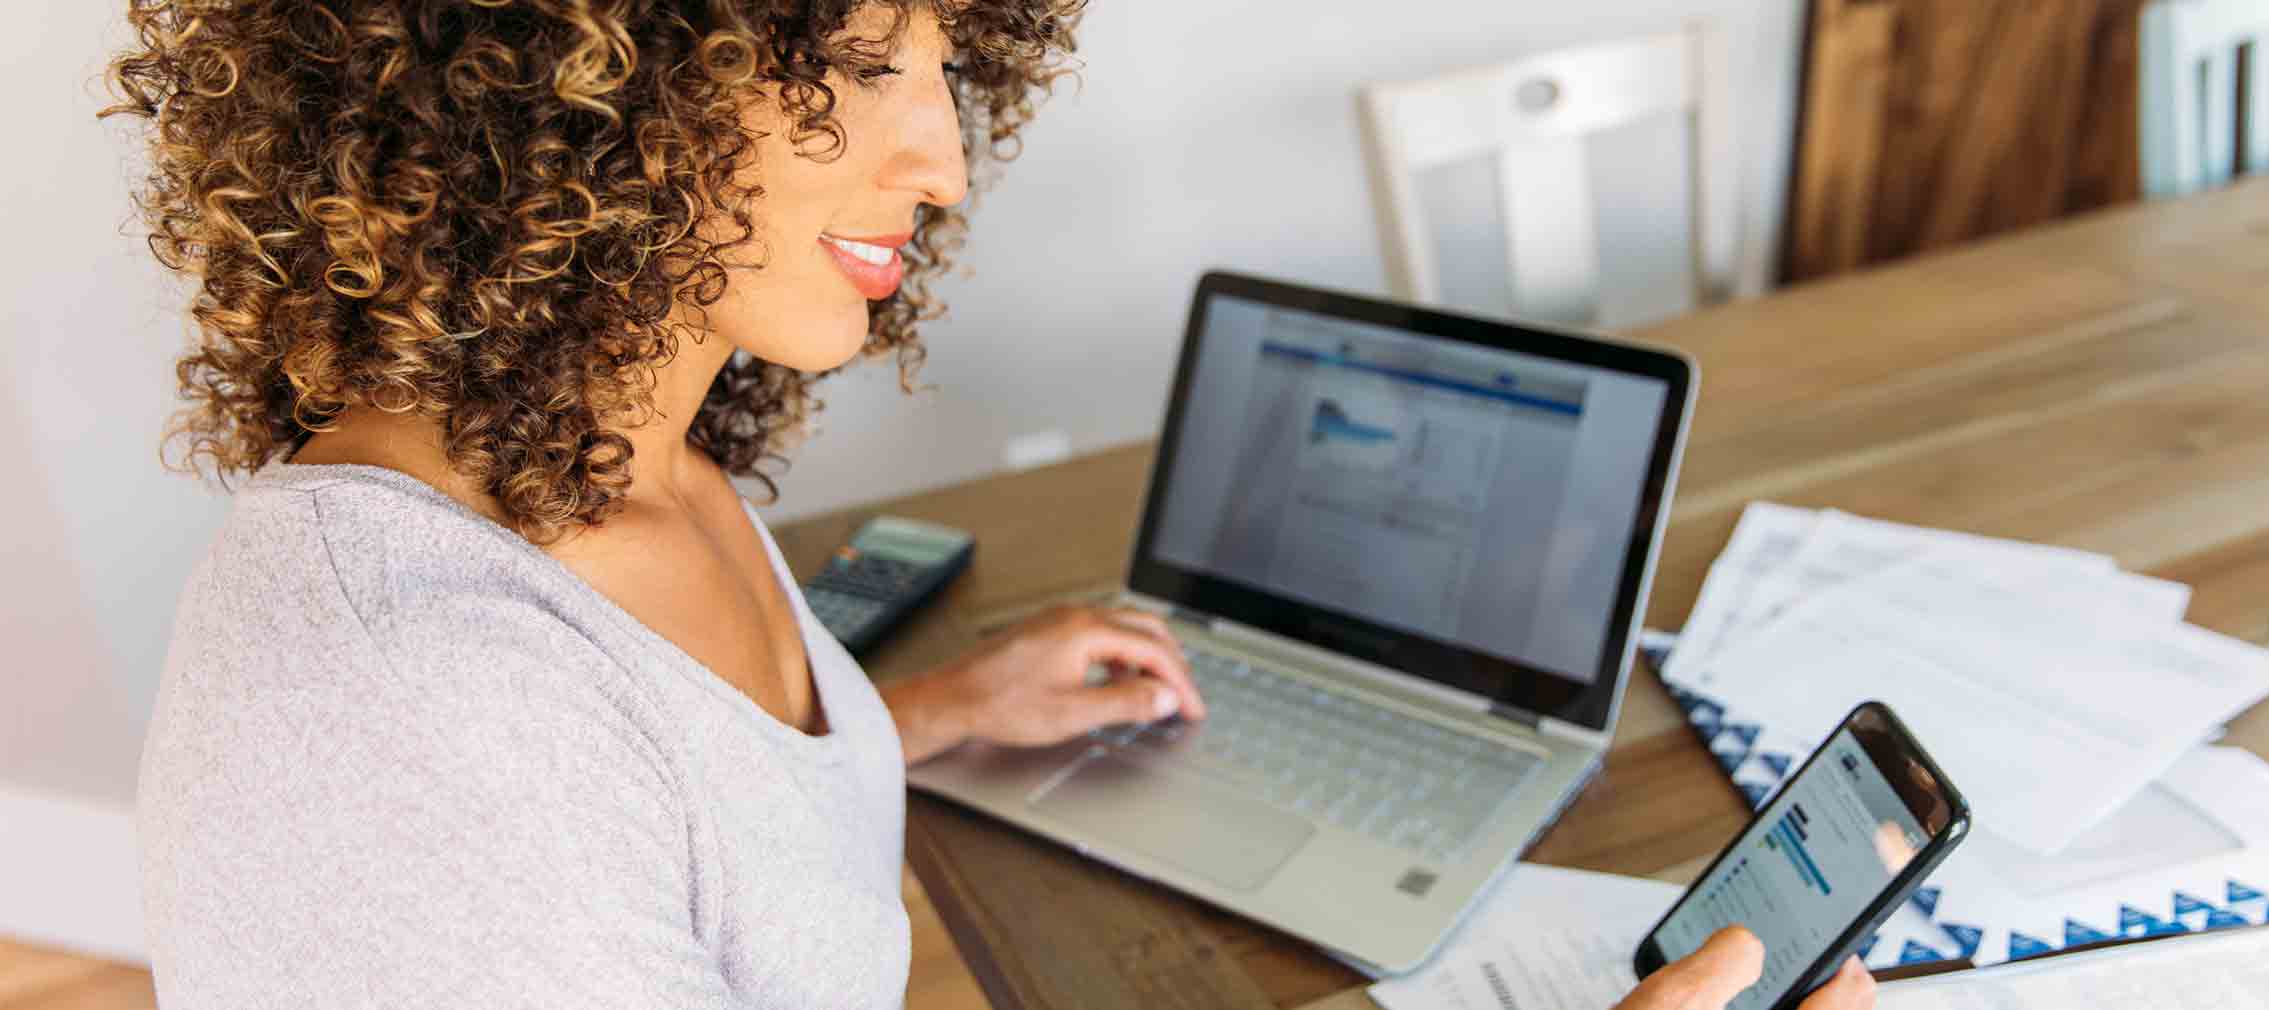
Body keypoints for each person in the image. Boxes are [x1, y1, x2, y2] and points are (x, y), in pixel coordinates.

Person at [105, 1, 1874, 1007]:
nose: (944, 161)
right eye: (867, 59)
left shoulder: (617, 456)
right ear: (573, 71)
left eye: (949, 63)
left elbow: (672, 806)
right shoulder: (407, 722)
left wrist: (923, 715)